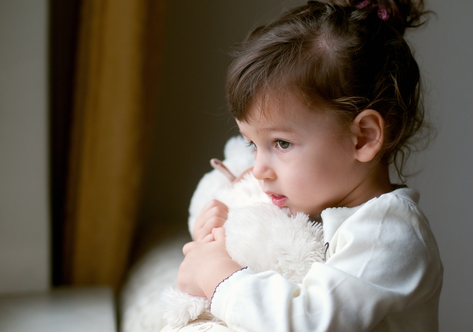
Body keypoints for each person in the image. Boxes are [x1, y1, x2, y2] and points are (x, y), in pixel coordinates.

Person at [176, 0, 443, 331]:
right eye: (251, 143)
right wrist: (217, 238)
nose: (259, 170)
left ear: (362, 138)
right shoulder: (313, 204)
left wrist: (217, 275)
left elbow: (306, 321)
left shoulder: (387, 235)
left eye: (282, 144)